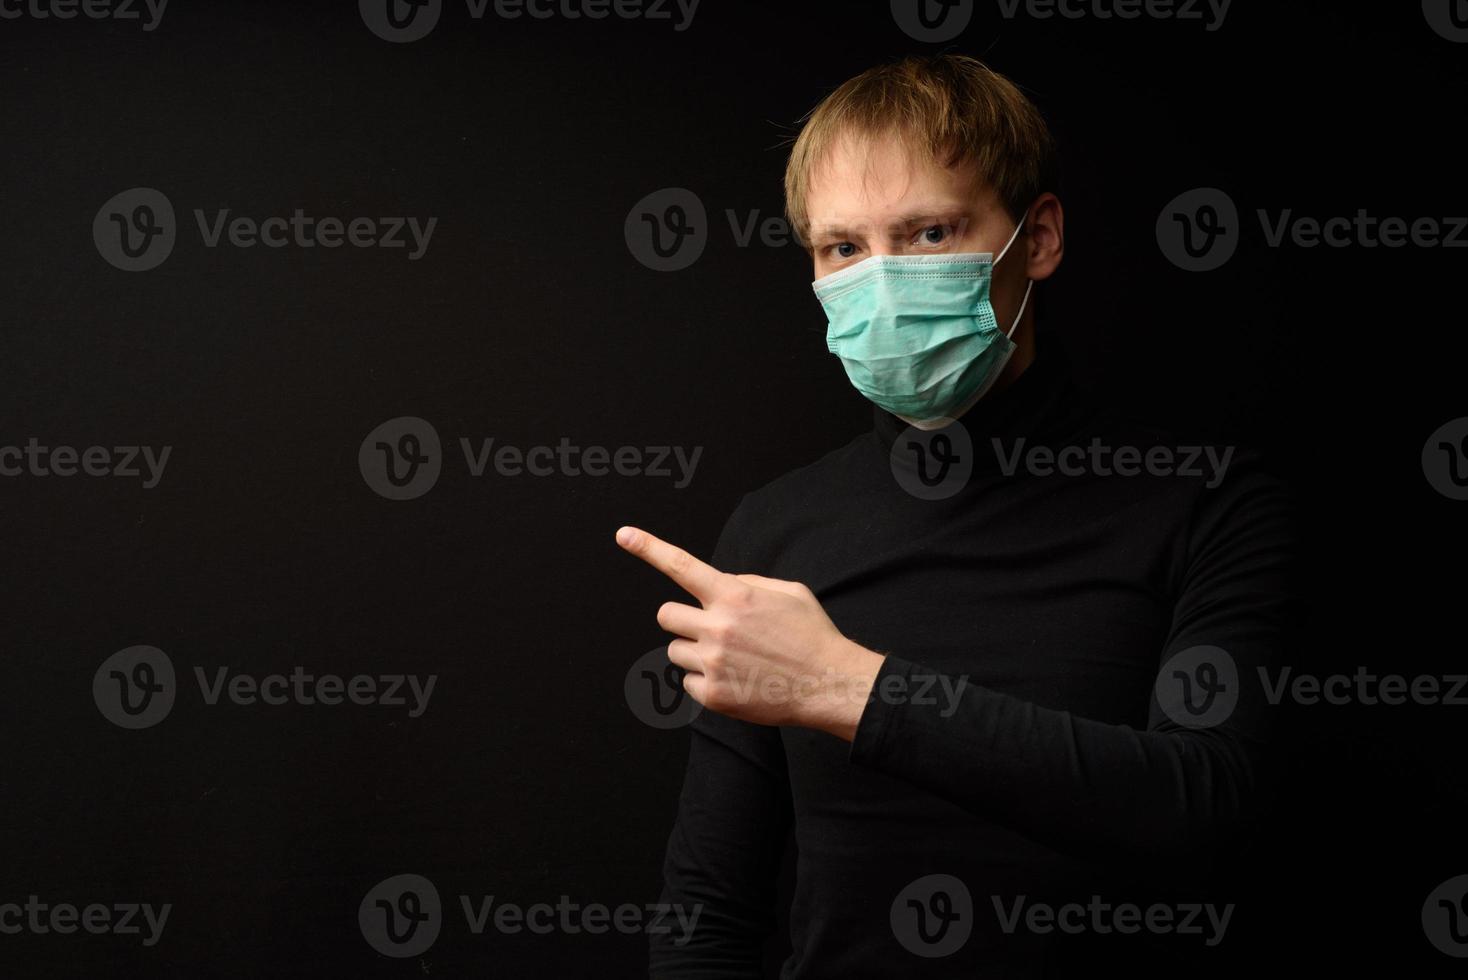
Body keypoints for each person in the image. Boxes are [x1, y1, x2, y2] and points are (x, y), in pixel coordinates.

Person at [617, 53, 1295, 977]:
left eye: (931, 231)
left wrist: (845, 689)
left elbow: (1207, 804)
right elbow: (707, 911)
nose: (883, 283)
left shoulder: (1204, 502)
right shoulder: (776, 532)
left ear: (1040, 237)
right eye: (844, 248)